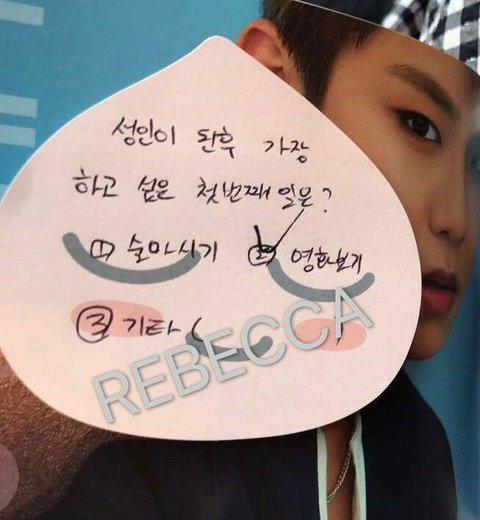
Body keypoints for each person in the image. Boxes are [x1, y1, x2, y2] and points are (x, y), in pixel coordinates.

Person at [2, 2, 479, 519]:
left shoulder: (420, 445)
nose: (456, 218)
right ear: (269, 83)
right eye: (418, 125)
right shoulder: (102, 413)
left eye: (478, 161)